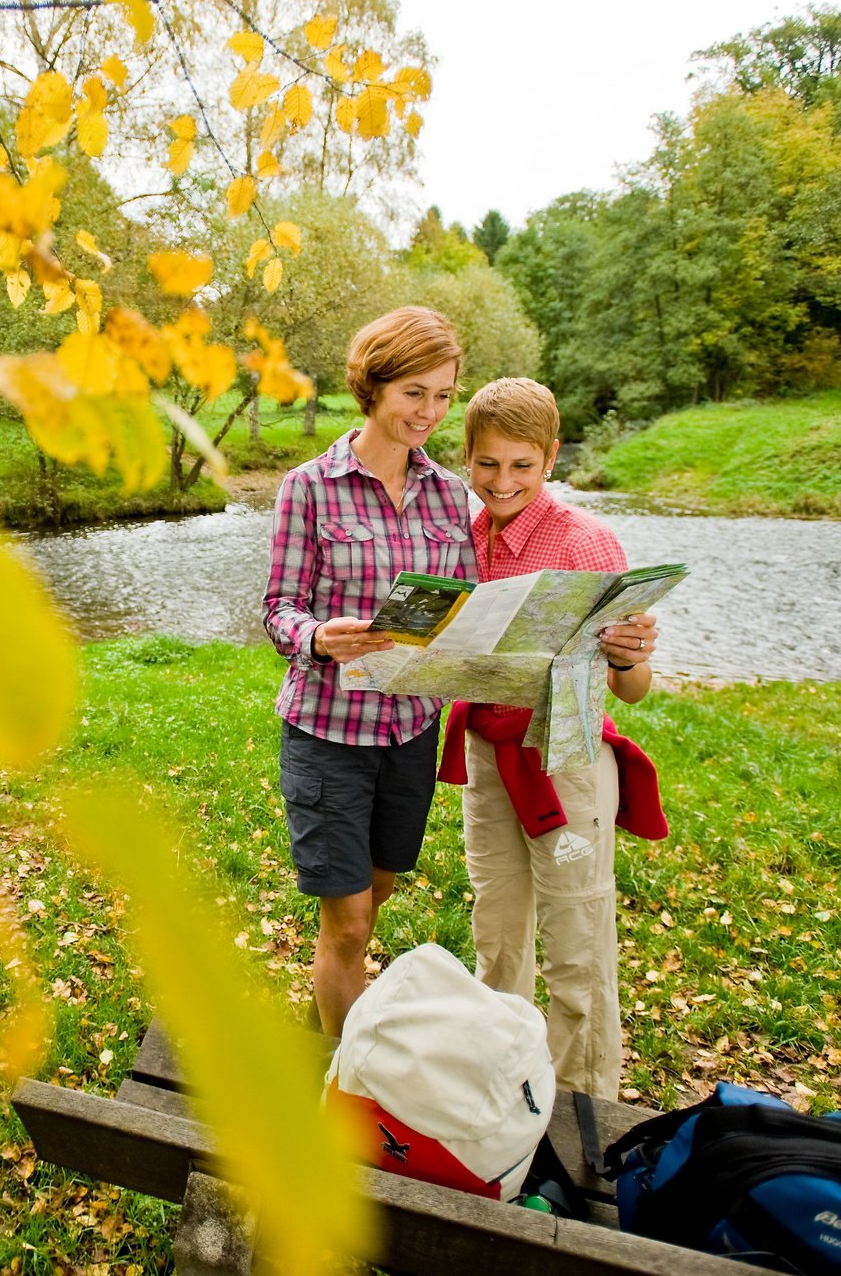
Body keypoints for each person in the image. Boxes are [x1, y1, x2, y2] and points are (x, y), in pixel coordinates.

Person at [438, 376, 666, 1099]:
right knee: (498, 927)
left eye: (521, 465)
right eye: (487, 464)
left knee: (576, 930)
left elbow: (632, 687)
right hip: (486, 752)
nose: (502, 481)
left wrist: (629, 653)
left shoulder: (587, 542)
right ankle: (503, 1084)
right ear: (466, 457)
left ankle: (583, 1104)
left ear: (551, 457)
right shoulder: (460, 540)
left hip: (565, 758)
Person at [263, 306, 476, 1036]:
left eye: (444, 394)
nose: (431, 411)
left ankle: (324, 1016)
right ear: (374, 384)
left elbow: (466, 606)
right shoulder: (309, 487)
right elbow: (278, 610)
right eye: (415, 391)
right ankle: (341, 1090)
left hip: (410, 731)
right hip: (328, 733)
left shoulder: (451, 494)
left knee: (373, 897)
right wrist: (319, 636)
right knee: (350, 924)